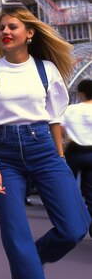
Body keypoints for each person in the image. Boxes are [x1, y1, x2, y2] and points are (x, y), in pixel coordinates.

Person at [0, 6, 91, 279]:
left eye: (12, 27)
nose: (5, 32)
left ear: (30, 33)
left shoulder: (46, 70)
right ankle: (28, 270)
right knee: (15, 234)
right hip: (4, 154)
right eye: (1, 28)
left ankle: (29, 264)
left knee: (75, 228)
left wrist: (59, 157)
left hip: (44, 149)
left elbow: (55, 118)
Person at [62, 79, 92, 237]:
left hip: (73, 151)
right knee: (90, 191)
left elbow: (59, 129)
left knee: (69, 188)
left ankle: (72, 223)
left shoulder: (71, 109)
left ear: (80, 93)